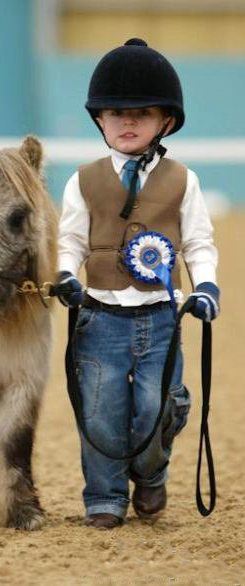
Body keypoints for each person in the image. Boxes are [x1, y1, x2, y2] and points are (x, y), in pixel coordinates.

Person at [55, 38, 220, 529]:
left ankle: (150, 474)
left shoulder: (183, 181)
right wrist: (66, 275)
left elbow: (198, 243)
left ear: (165, 121)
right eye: (115, 113)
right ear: (99, 120)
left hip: (160, 320)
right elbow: (70, 241)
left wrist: (206, 286)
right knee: (101, 413)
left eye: (142, 113)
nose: (127, 123)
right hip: (99, 318)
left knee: (154, 409)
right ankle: (104, 496)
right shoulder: (81, 182)